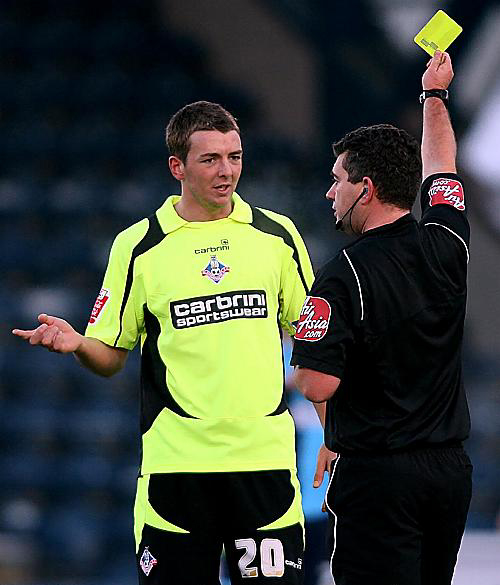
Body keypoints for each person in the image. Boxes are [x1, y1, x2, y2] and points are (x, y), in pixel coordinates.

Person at [13, 101, 314, 585]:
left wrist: (330, 426)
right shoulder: (139, 246)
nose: (227, 171)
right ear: (177, 166)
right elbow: (111, 355)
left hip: (264, 464)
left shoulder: (277, 236)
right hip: (178, 468)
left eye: (234, 157)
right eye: (210, 159)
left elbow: (313, 337)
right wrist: (77, 344)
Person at [291, 51, 472, 585]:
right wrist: (434, 96)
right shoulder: (448, 240)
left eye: (338, 180)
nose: (331, 192)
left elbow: (316, 382)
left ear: (365, 189)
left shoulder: (340, 275)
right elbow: (443, 166)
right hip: (449, 473)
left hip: (379, 477)